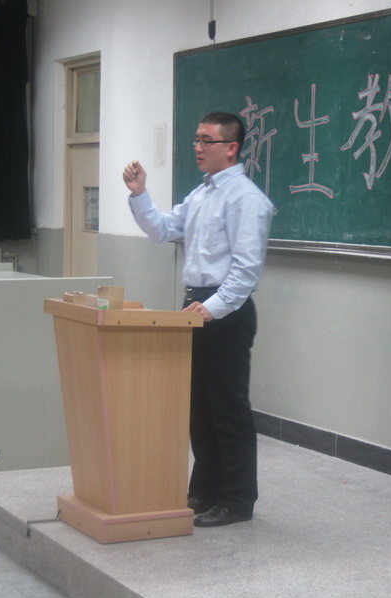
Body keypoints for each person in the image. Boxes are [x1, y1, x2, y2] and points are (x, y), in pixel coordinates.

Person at [122, 112, 274, 527]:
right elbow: (162, 229)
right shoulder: (202, 194)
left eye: (207, 141)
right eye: (196, 140)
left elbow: (246, 269)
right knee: (200, 409)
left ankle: (237, 501)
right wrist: (140, 194)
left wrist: (214, 307)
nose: (198, 148)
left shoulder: (246, 198)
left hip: (226, 310)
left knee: (228, 410)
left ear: (232, 148)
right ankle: (205, 492)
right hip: (196, 308)